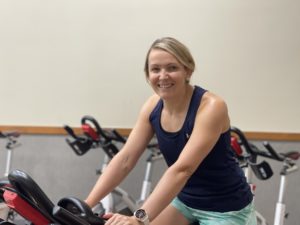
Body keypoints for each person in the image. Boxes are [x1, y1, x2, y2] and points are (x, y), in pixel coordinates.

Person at [85, 37, 256, 225]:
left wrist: (138, 218)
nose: (163, 76)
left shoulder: (211, 107)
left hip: (226, 209)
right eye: (155, 69)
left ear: (187, 70)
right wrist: (86, 206)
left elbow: (182, 169)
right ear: (147, 74)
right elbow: (125, 159)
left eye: (172, 68)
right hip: (184, 202)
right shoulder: (152, 106)